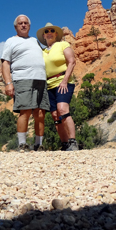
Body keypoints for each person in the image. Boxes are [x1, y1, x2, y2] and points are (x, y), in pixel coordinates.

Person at [1, 15, 50, 151]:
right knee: (25, 111)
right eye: (20, 23)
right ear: (16, 26)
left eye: (26, 23)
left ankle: (38, 145)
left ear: (29, 25)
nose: (23, 25)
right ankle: (22, 144)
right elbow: (5, 63)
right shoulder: (11, 41)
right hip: (23, 78)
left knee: (40, 113)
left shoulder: (34, 41)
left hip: (41, 79)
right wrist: (8, 83)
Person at [36, 22, 78, 151]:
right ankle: (65, 144)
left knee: (62, 109)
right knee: (55, 115)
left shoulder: (62, 44)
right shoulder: (42, 51)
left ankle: (73, 142)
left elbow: (72, 61)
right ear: (43, 35)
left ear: (56, 34)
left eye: (52, 31)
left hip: (62, 81)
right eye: (46, 31)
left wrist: (65, 81)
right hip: (48, 85)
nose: (49, 33)